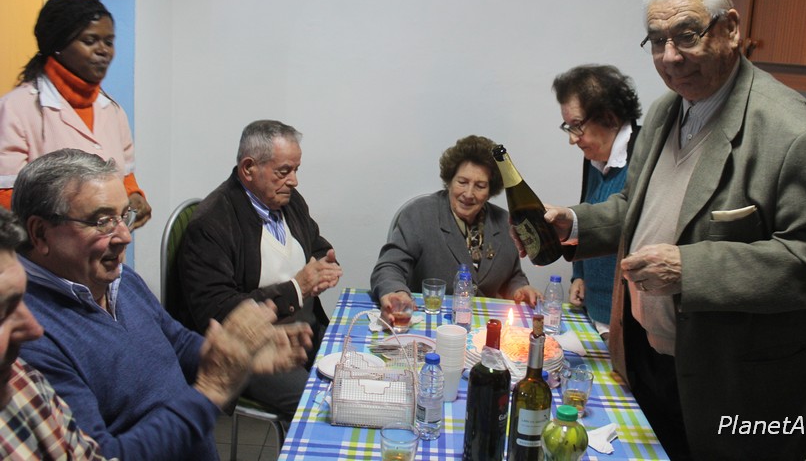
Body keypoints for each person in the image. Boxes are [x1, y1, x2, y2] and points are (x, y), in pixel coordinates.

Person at [533, 0, 806, 459]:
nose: (671, 56)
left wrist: (690, 269)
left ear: (731, 29)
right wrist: (573, 223)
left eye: (686, 35)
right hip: (649, 358)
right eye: (657, 41)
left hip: (732, 384)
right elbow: (633, 208)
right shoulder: (665, 112)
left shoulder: (791, 133)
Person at [12, 149, 312, 461]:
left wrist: (239, 353)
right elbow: (104, 455)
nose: (125, 236)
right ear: (40, 233)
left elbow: (177, 342)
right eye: (102, 221)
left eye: (124, 216)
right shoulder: (27, 336)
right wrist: (211, 390)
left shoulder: (119, 279)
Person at [177, 119, 341, 417]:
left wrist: (324, 267)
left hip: (305, 330)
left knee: (355, 373)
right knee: (319, 408)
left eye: (296, 170)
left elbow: (316, 245)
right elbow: (217, 311)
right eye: (284, 171)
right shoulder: (212, 224)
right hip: (253, 350)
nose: (294, 181)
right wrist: (297, 288)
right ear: (249, 168)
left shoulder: (289, 202)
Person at [0, 0, 151, 229]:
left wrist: (134, 197)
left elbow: (125, 178)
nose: (103, 50)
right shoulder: (17, 109)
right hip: (43, 247)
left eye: (108, 42)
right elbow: (7, 197)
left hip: (106, 244)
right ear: (58, 46)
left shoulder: (112, 110)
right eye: (90, 41)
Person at [371, 135, 541, 325]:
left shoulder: (504, 222)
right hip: (429, 320)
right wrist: (395, 292)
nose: (468, 194)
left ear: (490, 190)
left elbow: (512, 275)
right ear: (450, 181)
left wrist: (520, 289)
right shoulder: (419, 213)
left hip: (481, 327)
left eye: (480, 186)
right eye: (462, 182)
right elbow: (390, 266)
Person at [0, 206, 108, 460]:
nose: (34, 329)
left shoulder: (23, 381)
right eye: (2, 313)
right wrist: (201, 391)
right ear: (41, 234)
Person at [552, 65, 641, 335]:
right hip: (594, 312)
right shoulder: (593, 159)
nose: (572, 139)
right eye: (568, 127)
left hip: (627, 323)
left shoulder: (643, 154)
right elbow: (586, 213)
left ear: (609, 117)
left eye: (577, 126)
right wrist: (578, 274)